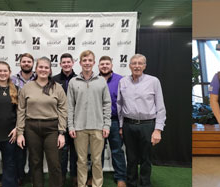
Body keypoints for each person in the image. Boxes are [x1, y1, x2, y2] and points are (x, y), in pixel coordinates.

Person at [117, 54, 167, 187]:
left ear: (145, 66)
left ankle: (145, 184)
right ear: (129, 66)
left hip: (147, 126)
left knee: (146, 159)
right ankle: (132, 183)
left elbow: (161, 107)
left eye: (140, 63)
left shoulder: (153, 81)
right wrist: (121, 126)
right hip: (128, 125)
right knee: (131, 158)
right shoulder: (123, 82)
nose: (137, 66)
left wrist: (158, 130)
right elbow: (120, 105)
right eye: (134, 63)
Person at [16, 57, 67, 187]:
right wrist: (20, 133)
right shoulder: (27, 87)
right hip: (31, 128)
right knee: (35, 162)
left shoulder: (57, 88)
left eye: (46, 67)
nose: (43, 70)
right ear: (36, 69)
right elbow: (21, 110)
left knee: (54, 163)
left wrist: (61, 132)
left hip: (52, 128)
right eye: (40, 67)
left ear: (50, 70)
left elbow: (63, 110)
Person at [67, 50, 111, 187]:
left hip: (98, 127)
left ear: (94, 63)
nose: (87, 63)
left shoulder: (101, 82)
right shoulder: (73, 82)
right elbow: (70, 106)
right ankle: (82, 185)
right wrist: (71, 126)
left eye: (90, 60)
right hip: (79, 128)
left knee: (97, 160)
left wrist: (106, 125)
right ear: (80, 63)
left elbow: (107, 104)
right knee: (81, 160)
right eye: (84, 60)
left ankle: (97, 185)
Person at [98, 56, 127, 187]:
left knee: (117, 150)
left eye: (107, 64)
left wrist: (121, 125)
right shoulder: (94, 80)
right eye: (102, 64)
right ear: (98, 66)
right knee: (97, 151)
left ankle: (121, 177)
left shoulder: (120, 80)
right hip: (98, 121)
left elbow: (124, 103)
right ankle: (96, 176)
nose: (104, 66)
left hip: (114, 120)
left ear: (111, 65)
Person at [52, 53, 79, 186]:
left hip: (76, 122)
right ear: (60, 64)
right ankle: (61, 178)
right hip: (59, 121)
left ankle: (74, 177)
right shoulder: (54, 79)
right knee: (61, 153)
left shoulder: (79, 79)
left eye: (69, 62)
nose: (66, 64)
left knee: (76, 152)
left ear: (73, 62)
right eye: (64, 62)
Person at [11, 52, 37, 185]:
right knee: (19, 152)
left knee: (34, 152)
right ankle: (19, 177)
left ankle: (34, 176)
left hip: (35, 120)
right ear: (20, 63)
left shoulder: (40, 78)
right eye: (24, 61)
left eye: (29, 61)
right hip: (17, 121)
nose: (26, 63)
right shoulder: (12, 79)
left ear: (33, 64)